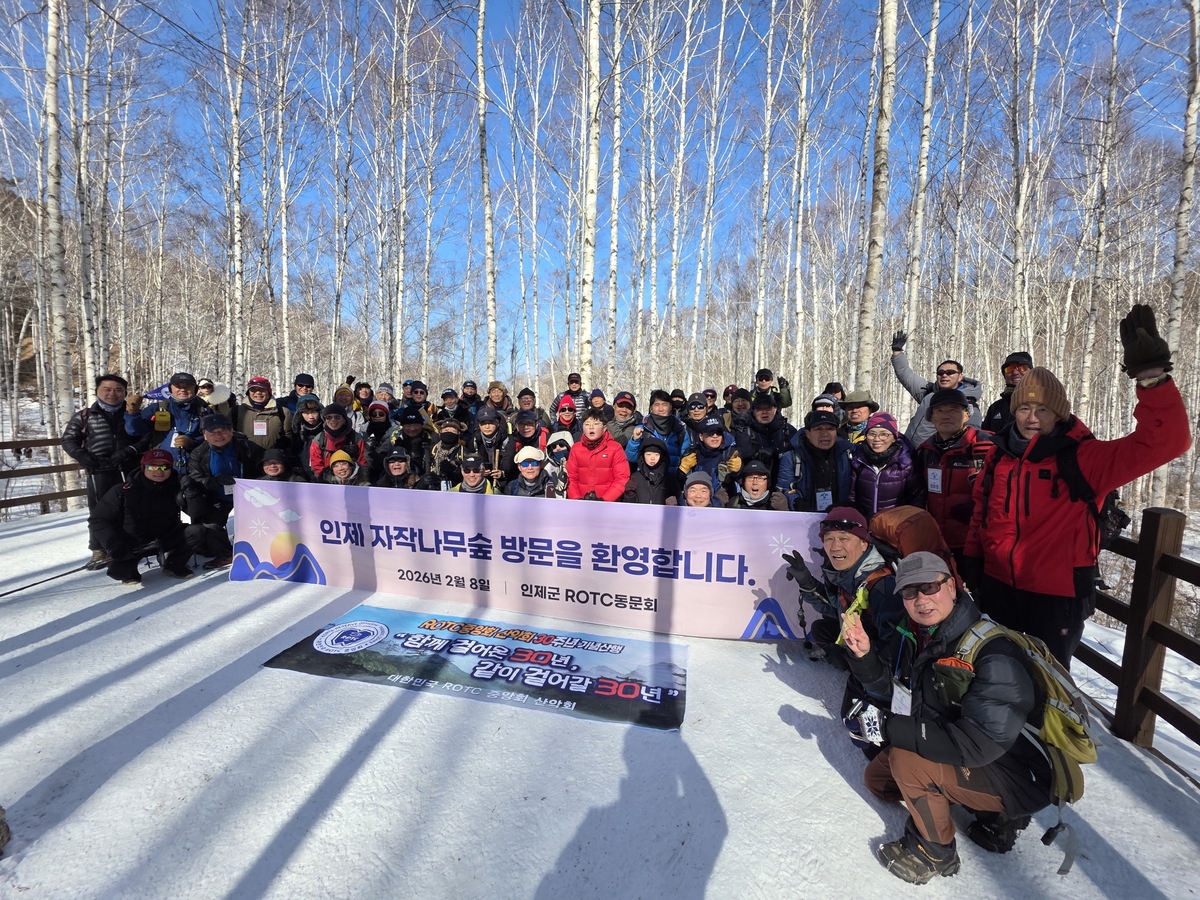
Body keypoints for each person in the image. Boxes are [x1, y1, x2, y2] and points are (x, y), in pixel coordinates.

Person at [963, 305, 1191, 665]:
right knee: (996, 678)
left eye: (1043, 410)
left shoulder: (1084, 458)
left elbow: (1167, 441)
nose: (1032, 418)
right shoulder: (999, 455)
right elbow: (982, 513)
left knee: (1049, 688)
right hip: (997, 588)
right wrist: (973, 561)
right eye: (1024, 409)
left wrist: (1151, 377)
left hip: (1056, 597)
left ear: (1059, 413)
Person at [842, 552, 1054, 884]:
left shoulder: (994, 654)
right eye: (909, 591)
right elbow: (892, 691)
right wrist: (865, 655)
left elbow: (977, 744)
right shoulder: (915, 633)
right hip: (965, 747)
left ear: (952, 587)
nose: (921, 599)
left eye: (930, 586)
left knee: (906, 761)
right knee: (879, 781)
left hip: (1018, 771)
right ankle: (985, 811)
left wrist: (888, 727)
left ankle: (934, 852)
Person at [785, 507, 900, 670]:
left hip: (879, 661)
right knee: (821, 629)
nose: (835, 546)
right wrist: (808, 584)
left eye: (844, 538)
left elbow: (896, 649)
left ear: (864, 543)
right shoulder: (848, 574)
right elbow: (837, 610)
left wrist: (852, 657)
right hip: (864, 639)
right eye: (829, 538)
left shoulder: (882, 587)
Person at [62, 373, 141, 569]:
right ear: (97, 391)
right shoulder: (85, 416)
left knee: (131, 507)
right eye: (107, 389)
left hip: (128, 468)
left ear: (125, 393)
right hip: (99, 471)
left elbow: (146, 437)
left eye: (118, 390)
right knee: (99, 511)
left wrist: (128, 451)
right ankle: (98, 549)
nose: (112, 393)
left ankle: (131, 543)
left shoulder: (133, 414)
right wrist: (81, 455)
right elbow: (68, 440)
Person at [914, 389, 994, 570]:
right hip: (937, 541)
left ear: (966, 415)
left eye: (953, 409)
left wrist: (979, 509)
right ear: (931, 417)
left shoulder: (986, 446)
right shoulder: (925, 452)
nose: (946, 415)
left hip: (976, 541)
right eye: (940, 410)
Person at [89, 448, 194, 584]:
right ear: (143, 467)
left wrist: (193, 493)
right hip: (132, 543)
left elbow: (196, 512)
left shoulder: (177, 486)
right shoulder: (123, 490)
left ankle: (174, 564)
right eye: (153, 466)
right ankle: (131, 571)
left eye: (165, 467)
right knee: (119, 571)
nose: (159, 471)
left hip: (165, 537)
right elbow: (98, 520)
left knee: (196, 532)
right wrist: (113, 545)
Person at [183, 413, 263, 568]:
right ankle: (226, 555)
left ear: (231, 431)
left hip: (250, 496)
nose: (218, 435)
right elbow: (195, 477)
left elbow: (263, 466)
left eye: (222, 431)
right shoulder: (199, 453)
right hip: (217, 497)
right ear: (204, 435)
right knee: (211, 524)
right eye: (212, 432)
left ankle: (261, 549)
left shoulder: (247, 447)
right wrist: (215, 482)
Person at [889, 330, 984, 444]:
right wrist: (897, 352)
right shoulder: (928, 391)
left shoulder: (968, 403)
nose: (944, 375)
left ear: (960, 377)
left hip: (936, 452)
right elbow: (906, 375)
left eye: (950, 372)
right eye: (941, 373)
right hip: (911, 450)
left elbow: (972, 435)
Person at [125, 371, 210, 472]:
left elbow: (215, 437)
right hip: (162, 468)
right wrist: (133, 412)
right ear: (171, 388)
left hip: (196, 468)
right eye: (178, 386)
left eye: (188, 386)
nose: (183, 389)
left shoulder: (204, 410)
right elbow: (135, 431)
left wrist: (193, 443)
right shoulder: (157, 408)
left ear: (195, 389)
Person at [847, 412, 924, 519]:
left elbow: (917, 499)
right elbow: (852, 496)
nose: (877, 439)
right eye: (872, 434)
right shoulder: (858, 461)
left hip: (895, 523)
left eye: (884, 434)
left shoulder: (905, 463)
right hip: (865, 521)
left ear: (894, 437)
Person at [787, 409, 854, 512]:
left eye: (830, 429)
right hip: (805, 517)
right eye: (818, 429)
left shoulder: (848, 453)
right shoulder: (792, 457)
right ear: (807, 433)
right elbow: (784, 488)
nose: (825, 433)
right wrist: (795, 502)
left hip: (840, 516)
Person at [566, 408, 629, 501]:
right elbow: (570, 477)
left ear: (604, 428)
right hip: (581, 503)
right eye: (587, 424)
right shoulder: (576, 449)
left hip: (608, 504)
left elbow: (622, 478)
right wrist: (577, 499)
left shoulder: (615, 448)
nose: (591, 427)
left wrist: (604, 500)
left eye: (596, 424)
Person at [741, 393, 795, 493]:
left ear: (775, 409)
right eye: (760, 409)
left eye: (768, 408)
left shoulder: (787, 430)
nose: (764, 412)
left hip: (782, 484)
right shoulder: (746, 430)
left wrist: (777, 453)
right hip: (754, 484)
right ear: (753, 411)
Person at [625, 389, 690, 469]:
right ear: (651, 408)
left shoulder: (680, 430)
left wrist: (682, 474)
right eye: (656, 405)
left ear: (670, 407)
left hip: (672, 475)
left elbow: (686, 460)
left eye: (664, 404)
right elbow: (631, 458)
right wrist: (634, 441)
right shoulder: (642, 429)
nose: (660, 409)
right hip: (647, 475)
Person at [678, 415, 742, 496]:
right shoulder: (692, 453)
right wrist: (681, 472)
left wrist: (737, 471)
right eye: (710, 433)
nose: (715, 436)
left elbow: (738, 478)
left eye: (719, 432)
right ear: (701, 436)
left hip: (723, 500)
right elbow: (680, 483)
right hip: (696, 498)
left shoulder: (730, 453)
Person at [309, 404, 369, 480]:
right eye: (328, 417)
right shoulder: (319, 440)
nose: (333, 420)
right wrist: (328, 480)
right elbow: (316, 465)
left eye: (337, 417)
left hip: (353, 480)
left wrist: (355, 479)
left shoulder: (356, 438)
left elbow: (363, 461)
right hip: (327, 481)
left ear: (344, 419)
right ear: (325, 420)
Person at [236, 376, 292, 452]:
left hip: (272, 457)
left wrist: (281, 449)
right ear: (248, 392)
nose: (258, 392)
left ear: (268, 391)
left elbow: (289, 435)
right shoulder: (236, 411)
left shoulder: (282, 412)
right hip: (245, 457)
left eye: (262, 389)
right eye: (253, 389)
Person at [982, 351, 1033, 433]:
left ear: (1031, 373)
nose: (1015, 372)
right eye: (1009, 369)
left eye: (1022, 367)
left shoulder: (1040, 404)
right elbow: (984, 436)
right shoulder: (995, 408)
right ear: (1004, 375)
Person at [623, 435, 682, 504]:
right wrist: (629, 494)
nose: (652, 458)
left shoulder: (670, 479)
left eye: (656, 454)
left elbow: (680, 502)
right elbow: (629, 506)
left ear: (662, 456)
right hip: (641, 511)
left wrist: (673, 504)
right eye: (648, 454)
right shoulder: (636, 477)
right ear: (642, 456)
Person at [382, 408, 433, 479]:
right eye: (408, 425)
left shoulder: (432, 438)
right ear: (402, 426)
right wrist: (370, 451)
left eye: (416, 425)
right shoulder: (394, 438)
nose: (412, 428)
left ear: (421, 425)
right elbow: (378, 459)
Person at [500, 409, 548, 482]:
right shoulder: (512, 440)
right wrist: (514, 453)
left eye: (529, 424)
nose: (526, 427)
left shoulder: (546, 438)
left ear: (536, 425)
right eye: (522, 424)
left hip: (542, 476)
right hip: (519, 478)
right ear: (517, 426)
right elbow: (506, 466)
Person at [467, 407, 509, 489]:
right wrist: (478, 471)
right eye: (483, 424)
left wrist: (503, 473)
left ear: (497, 424)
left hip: (503, 483)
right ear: (479, 425)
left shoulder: (506, 440)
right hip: (480, 482)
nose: (487, 427)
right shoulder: (474, 441)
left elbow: (510, 464)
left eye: (490, 423)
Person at [429, 414, 468, 489]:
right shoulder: (431, 450)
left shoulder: (464, 453)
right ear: (440, 433)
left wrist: (454, 470)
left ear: (458, 435)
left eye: (453, 431)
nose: (449, 433)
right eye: (446, 430)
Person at [290, 396, 325, 477]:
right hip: (303, 472)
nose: (311, 416)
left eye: (314, 412)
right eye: (306, 413)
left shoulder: (327, 430)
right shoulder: (297, 431)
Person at [545, 431, 574, 498]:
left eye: (561, 445)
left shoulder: (576, 464)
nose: (558, 448)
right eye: (554, 447)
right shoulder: (548, 467)